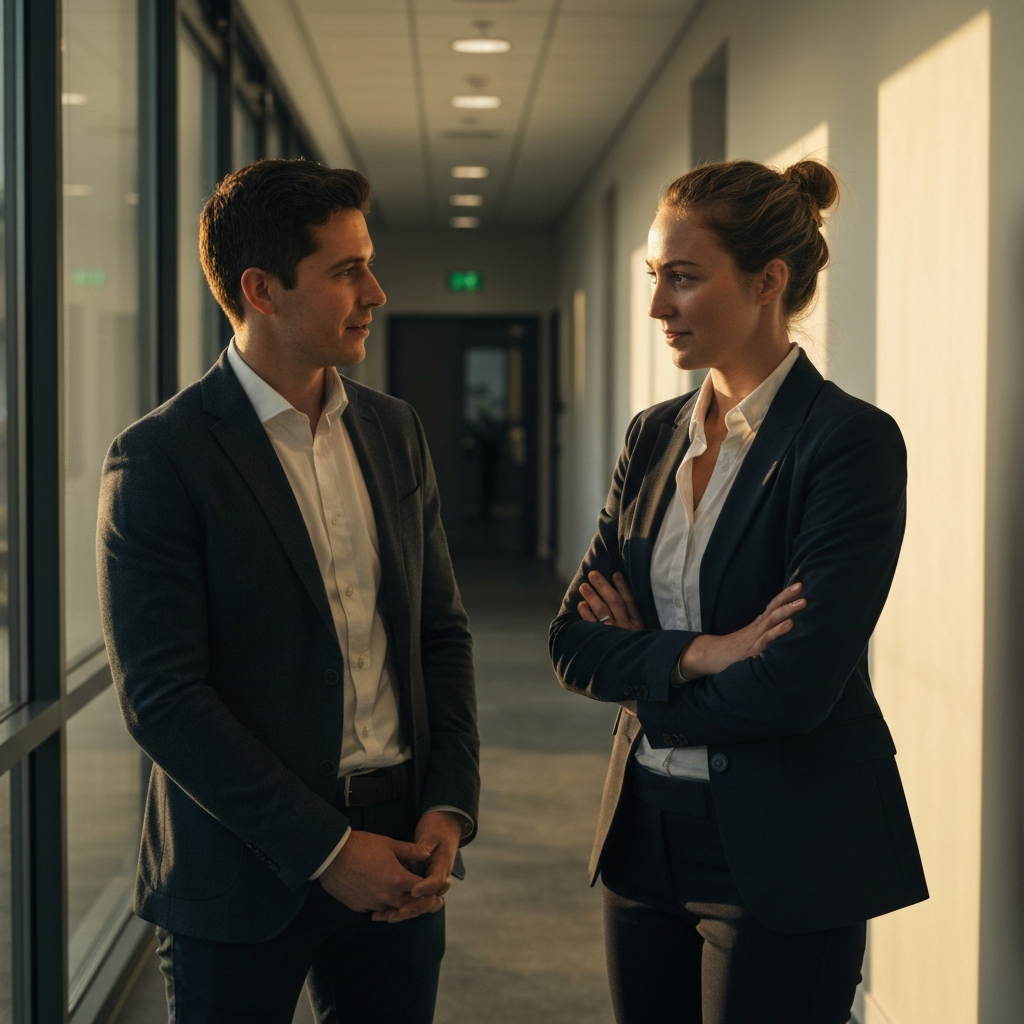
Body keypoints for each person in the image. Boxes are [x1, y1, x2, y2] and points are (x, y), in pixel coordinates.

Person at [97, 160, 480, 1024]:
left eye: (368, 263)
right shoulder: (160, 458)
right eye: (347, 270)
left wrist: (448, 805)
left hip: (402, 849)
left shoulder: (393, 429)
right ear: (261, 289)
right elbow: (163, 699)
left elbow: (438, 634)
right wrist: (328, 851)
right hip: (237, 870)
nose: (375, 291)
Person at [549, 159, 927, 1023]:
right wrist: (701, 653)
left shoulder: (848, 444)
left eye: (683, 278)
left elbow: (796, 685)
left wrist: (647, 686)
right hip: (643, 836)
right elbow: (572, 640)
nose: (658, 307)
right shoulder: (652, 437)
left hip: (786, 844)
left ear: (769, 282)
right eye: (656, 277)